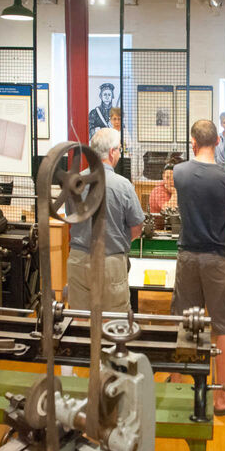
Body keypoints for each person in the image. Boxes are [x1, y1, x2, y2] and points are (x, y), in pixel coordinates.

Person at [171, 119, 225, 416]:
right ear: (218, 142)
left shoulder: (179, 173)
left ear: (193, 142)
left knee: (187, 321)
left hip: (187, 254)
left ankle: (178, 385)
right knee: (223, 328)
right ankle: (221, 399)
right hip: (217, 257)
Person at [66, 128, 144, 313]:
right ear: (111, 152)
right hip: (110, 263)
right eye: (119, 149)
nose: (119, 153)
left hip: (77, 261)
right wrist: (118, 239)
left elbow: (72, 219)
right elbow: (137, 228)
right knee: (113, 323)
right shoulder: (122, 185)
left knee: (80, 320)